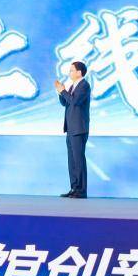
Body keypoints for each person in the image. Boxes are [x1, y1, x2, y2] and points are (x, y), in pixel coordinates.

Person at [54, 61, 90, 199]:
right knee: (72, 160)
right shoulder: (72, 86)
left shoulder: (84, 85)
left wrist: (63, 91)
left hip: (79, 128)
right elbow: (65, 102)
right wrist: (60, 92)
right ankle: (74, 188)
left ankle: (81, 190)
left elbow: (75, 102)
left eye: (71, 70)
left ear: (79, 72)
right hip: (70, 128)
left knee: (79, 160)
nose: (69, 73)